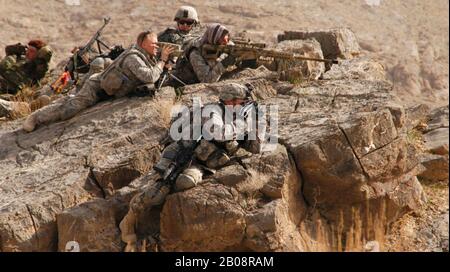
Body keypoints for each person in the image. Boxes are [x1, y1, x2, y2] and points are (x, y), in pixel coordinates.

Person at [119, 82, 263, 252]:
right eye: (241, 103)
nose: (243, 106)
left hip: (205, 163)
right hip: (182, 154)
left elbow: (255, 148)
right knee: (158, 192)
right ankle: (129, 218)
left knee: (186, 182)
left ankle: (160, 231)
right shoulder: (213, 111)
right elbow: (219, 133)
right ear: (230, 102)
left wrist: (256, 124)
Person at [22, 31, 174, 132]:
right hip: (96, 87)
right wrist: (162, 61)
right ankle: (36, 117)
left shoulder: (146, 58)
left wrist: (165, 66)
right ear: (142, 44)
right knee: (70, 109)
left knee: (71, 103)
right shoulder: (133, 57)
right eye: (154, 44)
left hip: (107, 92)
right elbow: (149, 76)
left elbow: (154, 78)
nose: (157, 47)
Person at [168, 23, 237, 88]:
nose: (226, 43)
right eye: (222, 40)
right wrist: (223, 64)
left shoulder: (226, 44)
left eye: (227, 39)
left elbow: (232, 48)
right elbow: (206, 80)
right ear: (214, 40)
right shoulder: (195, 53)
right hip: (186, 83)